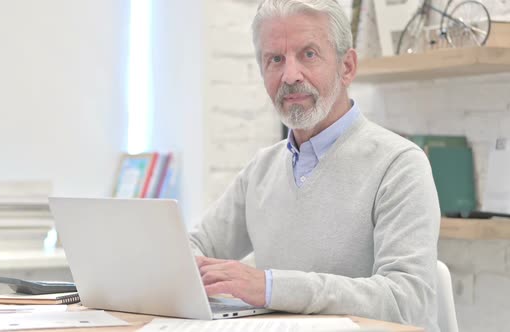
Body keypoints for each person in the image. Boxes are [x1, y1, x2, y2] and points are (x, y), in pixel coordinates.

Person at [189, 0, 441, 331]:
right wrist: (179, 267)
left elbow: (406, 301)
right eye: (275, 59)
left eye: (308, 54)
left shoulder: (400, 165)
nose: (290, 76)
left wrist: (269, 287)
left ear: (347, 66)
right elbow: (197, 246)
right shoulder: (262, 169)